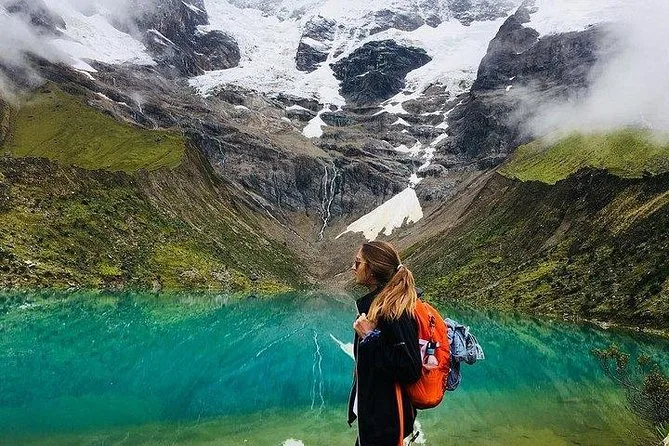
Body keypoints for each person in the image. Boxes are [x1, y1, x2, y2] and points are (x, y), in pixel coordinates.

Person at [348, 241, 423, 446]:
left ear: (372, 269)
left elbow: (410, 368)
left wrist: (370, 337)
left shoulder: (393, 310)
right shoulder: (380, 305)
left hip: (385, 422)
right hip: (376, 417)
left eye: (358, 263)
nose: (353, 268)